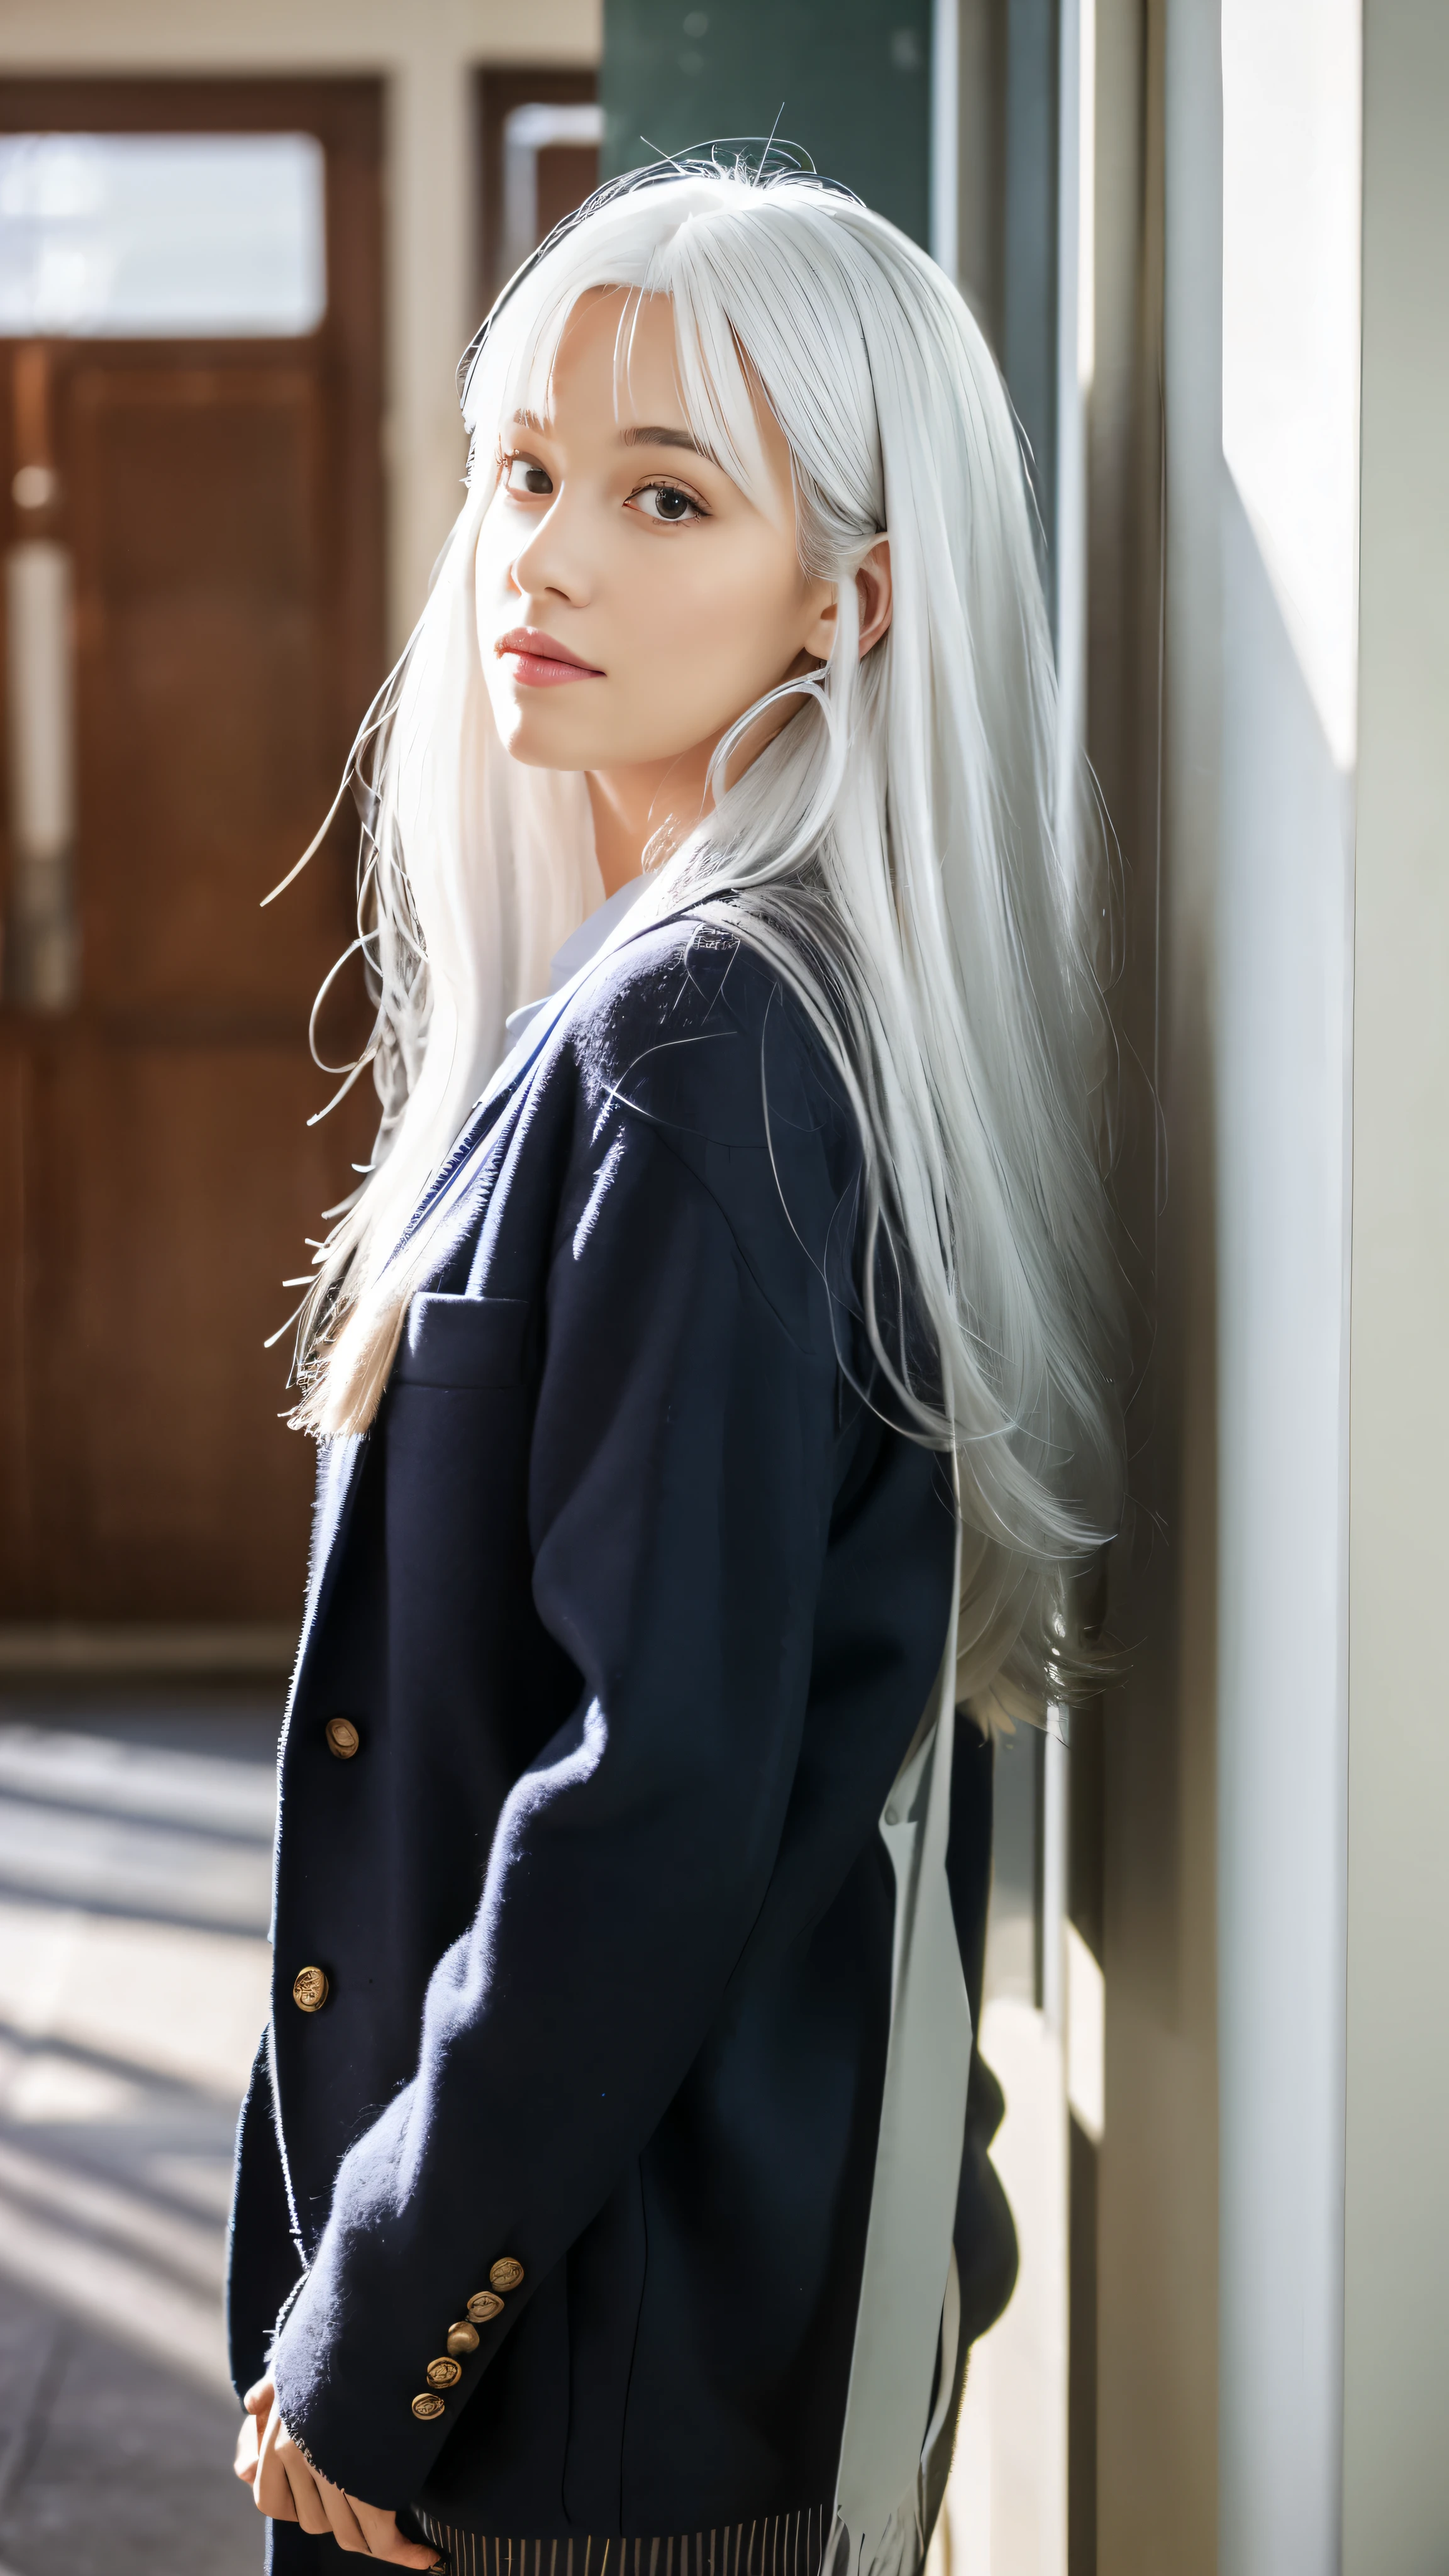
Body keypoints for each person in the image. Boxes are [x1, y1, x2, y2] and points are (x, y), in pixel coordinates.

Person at [228, 155, 1126, 2576]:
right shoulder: (717, 1005)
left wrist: (383, 2317)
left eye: (664, 495)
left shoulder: (704, 1038)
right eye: (527, 472)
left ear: (853, 599)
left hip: (581, 2400)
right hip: (671, 2329)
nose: (548, 556)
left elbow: (657, 1789)